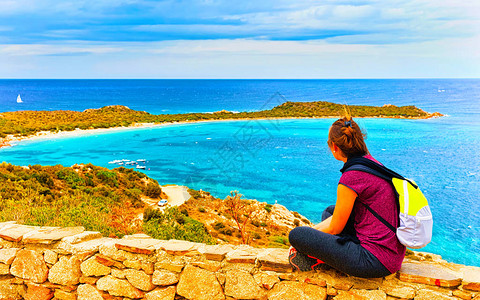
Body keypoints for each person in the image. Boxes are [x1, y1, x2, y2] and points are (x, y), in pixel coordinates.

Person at [288, 116, 406, 278]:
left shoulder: (351, 176)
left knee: (297, 235)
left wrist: (309, 235)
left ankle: (318, 259)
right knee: (330, 212)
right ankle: (328, 254)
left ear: (334, 147)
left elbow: (335, 228)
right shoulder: (371, 163)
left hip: (373, 260)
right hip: (392, 254)